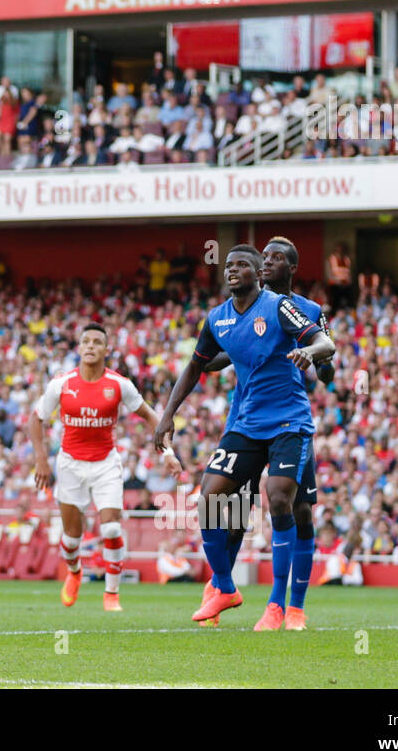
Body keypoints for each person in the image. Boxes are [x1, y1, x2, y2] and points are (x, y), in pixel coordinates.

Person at [153, 245, 334, 629]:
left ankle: (286, 606)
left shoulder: (300, 309)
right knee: (228, 506)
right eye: (262, 256)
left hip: (289, 421)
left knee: (289, 504)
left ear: (291, 267)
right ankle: (221, 585)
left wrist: (314, 356)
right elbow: (209, 360)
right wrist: (169, 412)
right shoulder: (221, 317)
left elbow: (326, 358)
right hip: (245, 420)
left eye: (274, 257)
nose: (268, 261)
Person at [30, 323, 176, 612]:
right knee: (71, 538)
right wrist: (41, 458)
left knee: (110, 528)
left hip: (106, 463)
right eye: (86, 341)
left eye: (97, 342)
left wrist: (168, 451)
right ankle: (74, 572)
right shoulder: (61, 384)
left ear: (107, 349)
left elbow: (151, 416)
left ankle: (112, 594)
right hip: (70, 464)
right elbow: (36, 419)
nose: (91, 346)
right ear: (79, 348)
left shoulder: (119, 384)